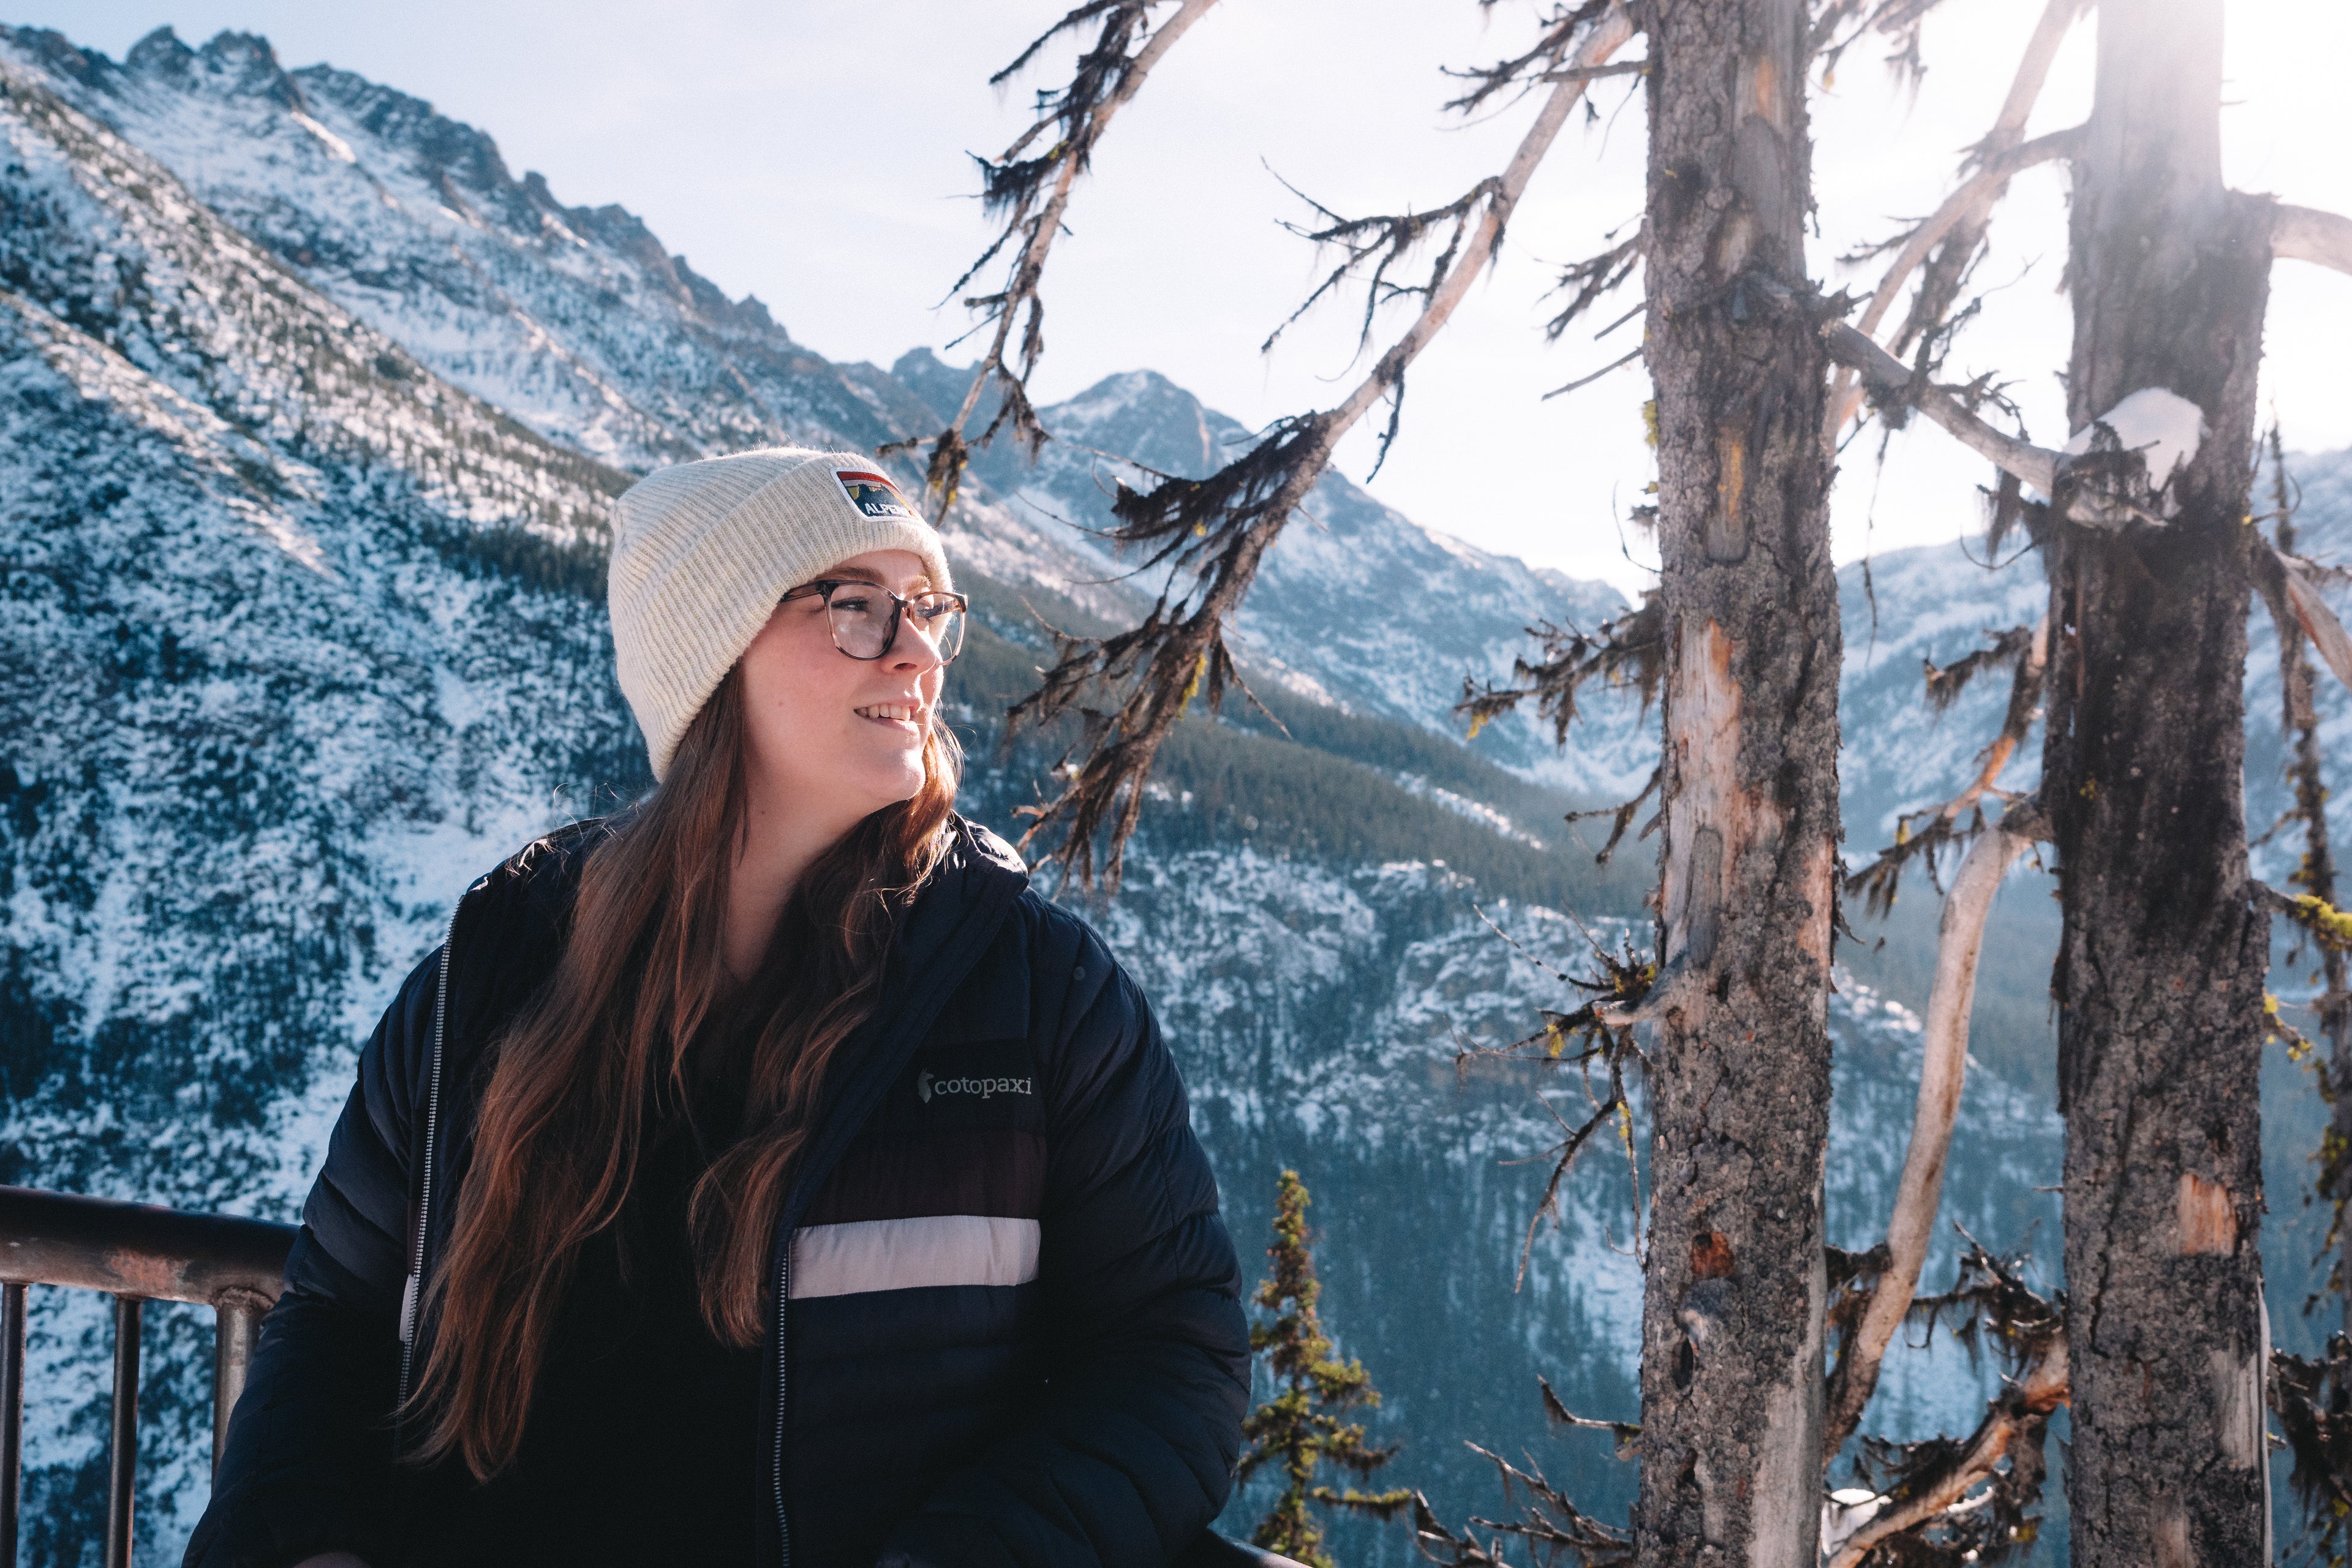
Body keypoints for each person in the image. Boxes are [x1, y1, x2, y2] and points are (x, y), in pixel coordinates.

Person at [187, 448, 1257, 1567]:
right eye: (856, 607)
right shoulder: (497, 968)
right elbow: (336, 1319)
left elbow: (1173, 1355)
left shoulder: (1036, 994)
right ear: (713, 652)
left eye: (930, 610)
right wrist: (307, 1545)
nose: (918, 655)